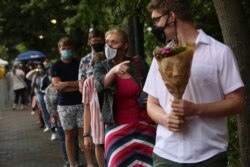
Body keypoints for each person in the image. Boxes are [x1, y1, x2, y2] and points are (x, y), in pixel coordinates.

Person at [143, 1, 245, 166]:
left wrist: (196, 109)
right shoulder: (161, 56)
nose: (155, 26)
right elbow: (152, 103)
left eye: (156, 20)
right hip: (165, 155)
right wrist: (165, 119)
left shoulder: (219, 52)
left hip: (209, 156)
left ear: (171, 16)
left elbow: (237, 103)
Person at [93, 29, 156, 167]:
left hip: (143, 125)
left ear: (125, 45)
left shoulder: (137, 63)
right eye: (107, 43)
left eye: (114, 42)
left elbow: (153, 85)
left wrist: (150, 98)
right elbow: (100, 86)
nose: (109, 46)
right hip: (116, 128)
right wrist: (113, 71)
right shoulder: (100, 66)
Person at [51, 37, 85, 167]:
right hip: (64, 106)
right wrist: (76, 85)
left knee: (84, 136)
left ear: (72, 49)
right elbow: (57, 85)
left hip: (81, 103)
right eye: (63, 48)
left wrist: (65, 84)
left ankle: (89, 162)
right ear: (59, 50)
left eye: (68, 48)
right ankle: (72, 164)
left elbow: (84, 83)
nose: (66, 50)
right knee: (69, 137)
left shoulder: (79, 63)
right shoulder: (56, 66)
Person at [78, 29, 105, 166]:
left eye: (100, 41)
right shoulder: (85, 61)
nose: (98, 43)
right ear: (89, 42)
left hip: (108, 101)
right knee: (98, 141)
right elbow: (81, 84)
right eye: (95, 41)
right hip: (93, 101)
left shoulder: (109, 55)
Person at [82, 52, 106, 167]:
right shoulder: (89, 83)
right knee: (99, 145)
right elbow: (86, 109)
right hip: (97, 123)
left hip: (113, 122)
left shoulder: (113, 78)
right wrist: (86, 134)